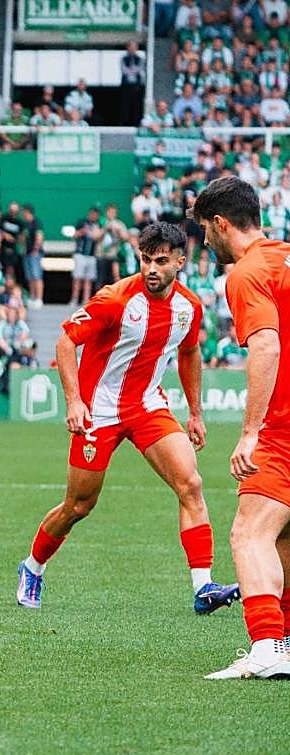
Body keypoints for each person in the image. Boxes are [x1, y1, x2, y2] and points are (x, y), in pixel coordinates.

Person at [14, 222, 239, 615]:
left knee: (191, 483)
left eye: (161, 261)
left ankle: (203, 587)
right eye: (145, 259)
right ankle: (32, 567)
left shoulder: (189, 307)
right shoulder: (115, 299)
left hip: (148, 406)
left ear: (180, 262)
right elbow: (66, 341)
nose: (152, 268)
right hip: (98, 411)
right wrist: (73, 401)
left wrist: (196, 413)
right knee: (79, 505)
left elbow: (188, 355)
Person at [193, 176, 290, 679]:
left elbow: (267, 346)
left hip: (283, 428)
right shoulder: (285, 256)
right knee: (282, 536)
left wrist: (251, 430)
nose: (204, 242)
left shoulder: (247, 272)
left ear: (221, 223)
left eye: (204, 232)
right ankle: (287, 641)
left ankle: (269, 647)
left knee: (248, 533)